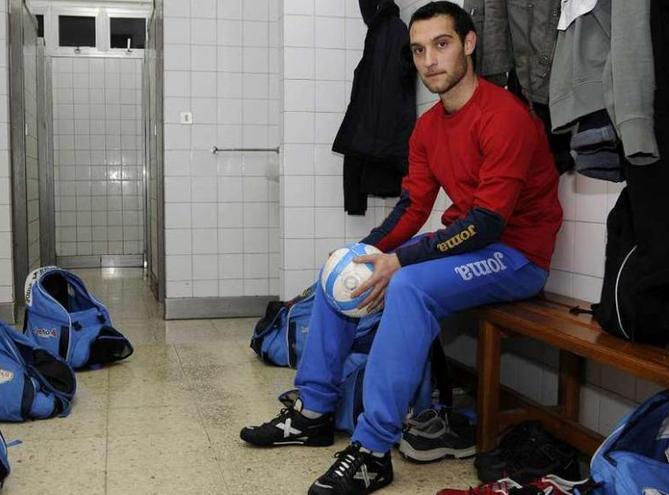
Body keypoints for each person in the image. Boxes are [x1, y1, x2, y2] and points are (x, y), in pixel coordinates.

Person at [240, 2, 563, 494]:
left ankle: (372, 451)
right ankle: (313, 411)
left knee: (408, 283)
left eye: (442, 44)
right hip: (471, 244)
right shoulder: (429, 126)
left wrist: (401, 259)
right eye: (419, 50)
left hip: (517, 255)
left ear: (469, 44)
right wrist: (363, 251)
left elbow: (486, 225)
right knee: (343, 269)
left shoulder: (505, 117)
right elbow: (413, 208)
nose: (430, 60)